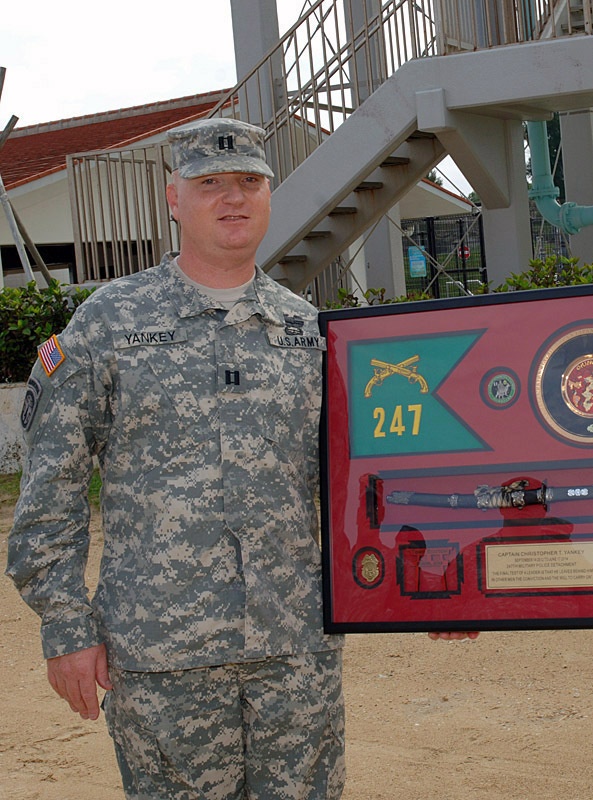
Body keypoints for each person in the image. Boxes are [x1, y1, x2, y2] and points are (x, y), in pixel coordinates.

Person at [7, 118, 345, 799]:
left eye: (249, 181)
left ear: (269, 194)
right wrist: (67, 626)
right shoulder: (109, 323)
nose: (232, 198)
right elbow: (53, 488)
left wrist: (414, 586)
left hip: (295, 654)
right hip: (162, 658)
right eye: (209, 183)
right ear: (174, 198)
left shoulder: (311, 334)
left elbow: (359, 485)